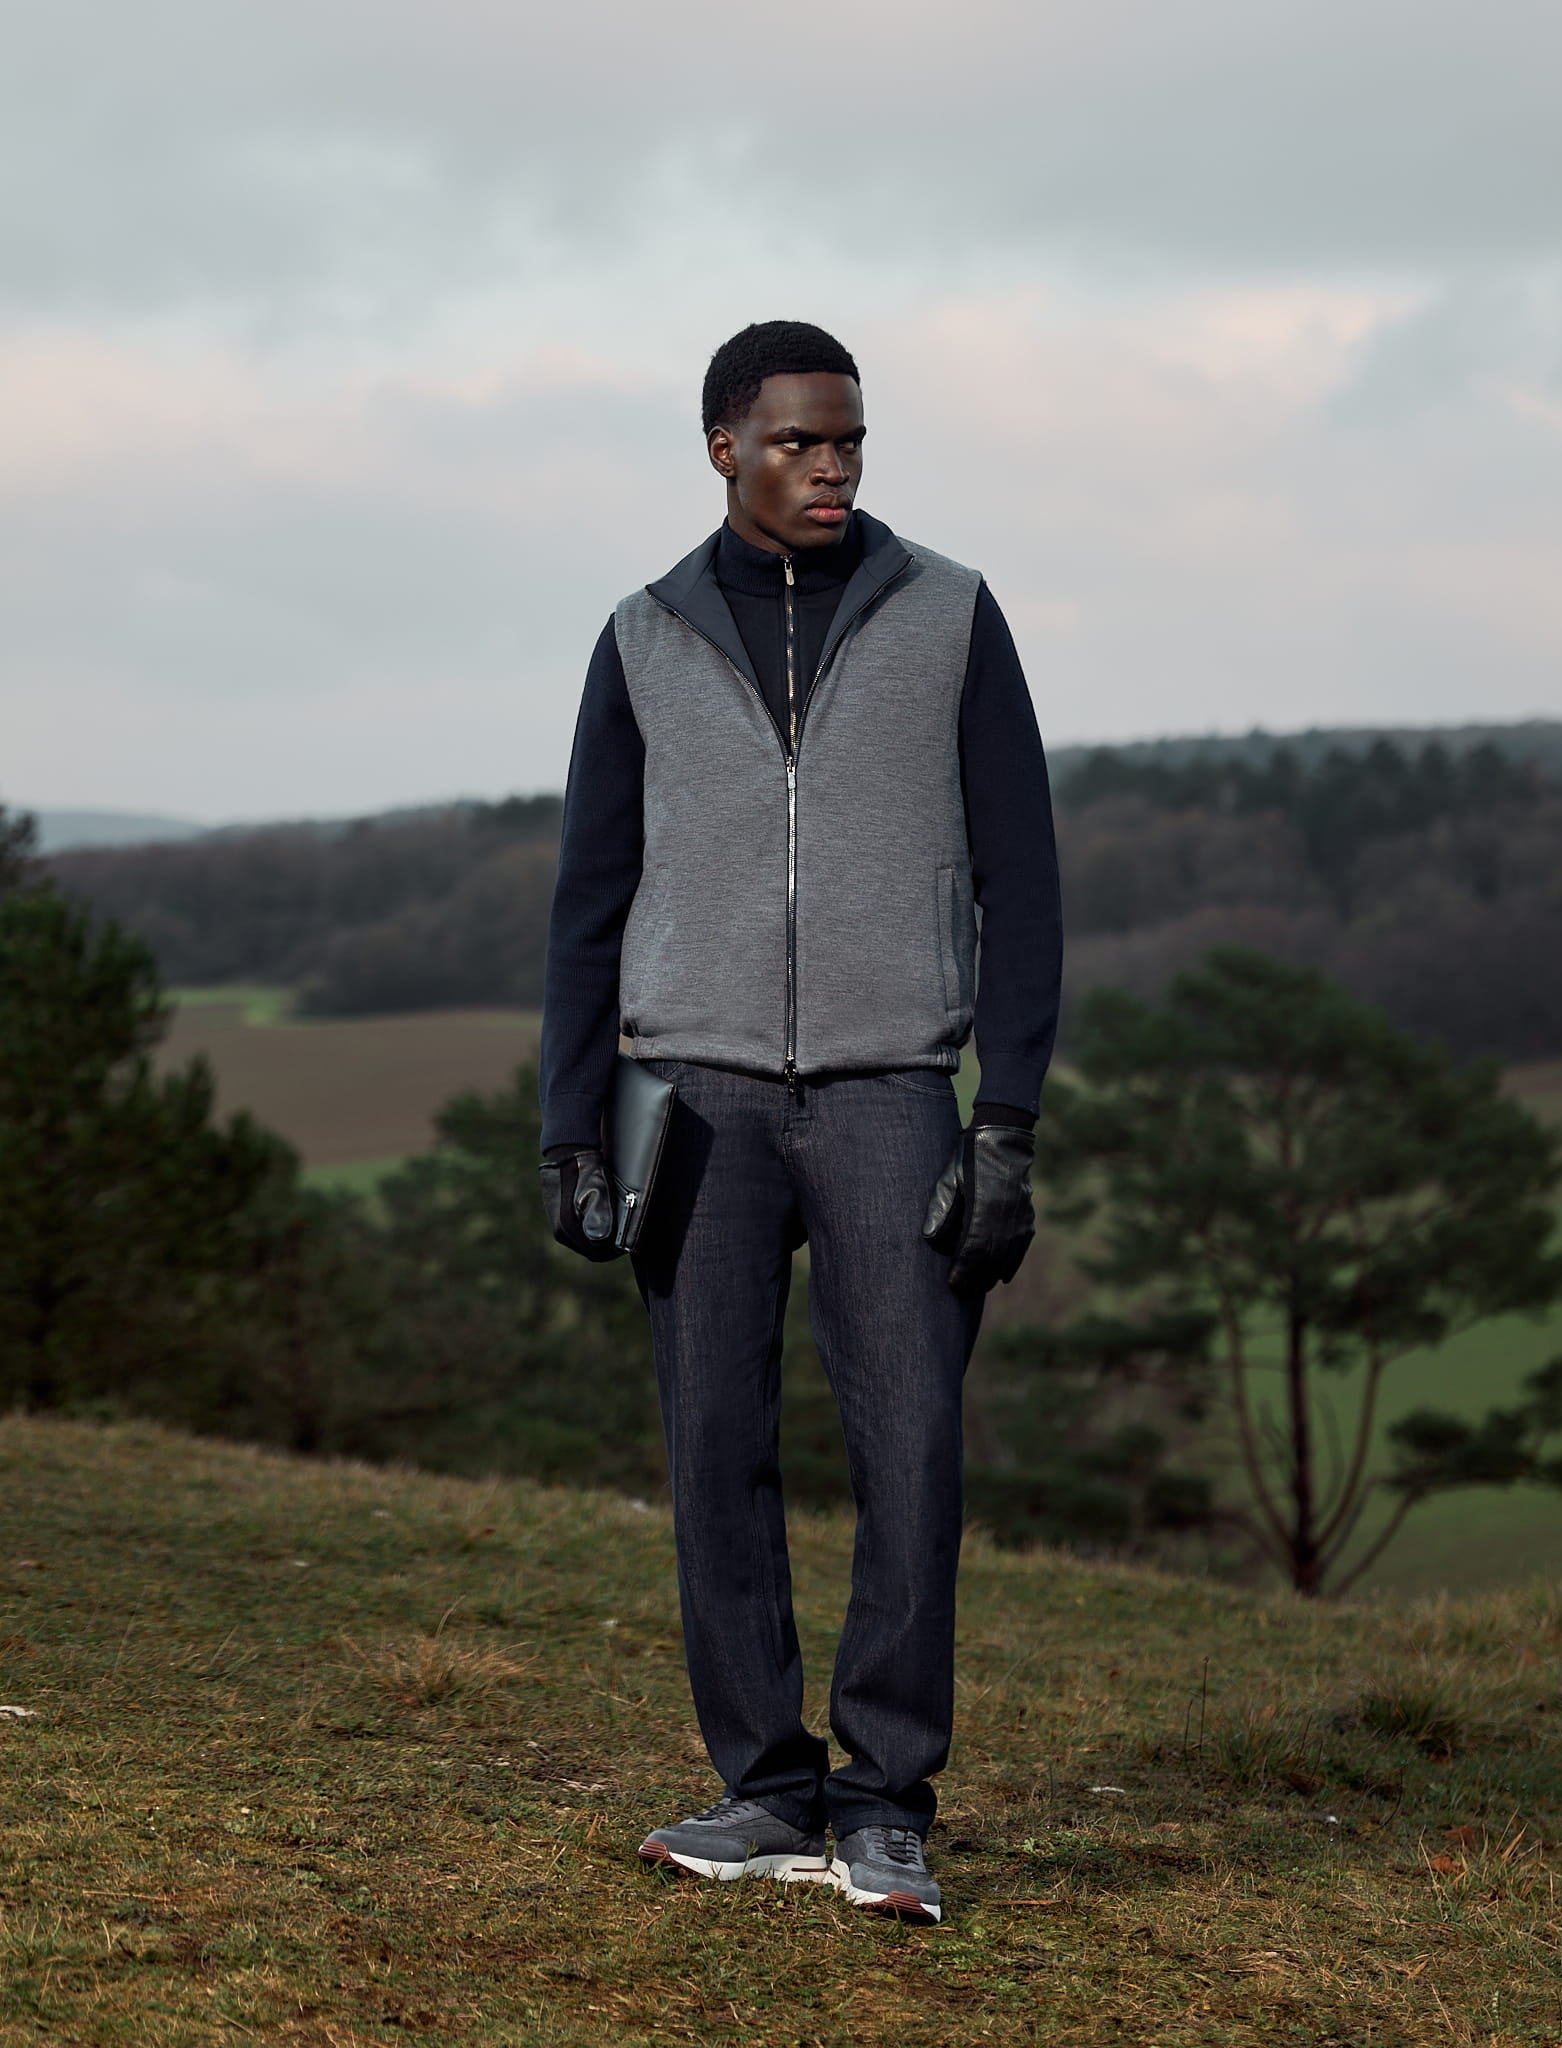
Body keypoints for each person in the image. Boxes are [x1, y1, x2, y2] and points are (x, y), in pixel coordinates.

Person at [537, 320, 1062, 1924]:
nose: (830, 468)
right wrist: (570, 1123)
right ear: (722, 447)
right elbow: (587, 898)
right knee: (716, 1451)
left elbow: (1022, 879)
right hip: (690, 1098)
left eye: (847, 442)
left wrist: (1009, 1119)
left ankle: (885, 1797)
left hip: (892, 1092)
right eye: (797, 444)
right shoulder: (639, 637)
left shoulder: (951, 616)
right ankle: (764, 1786)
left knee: (910, 1448)